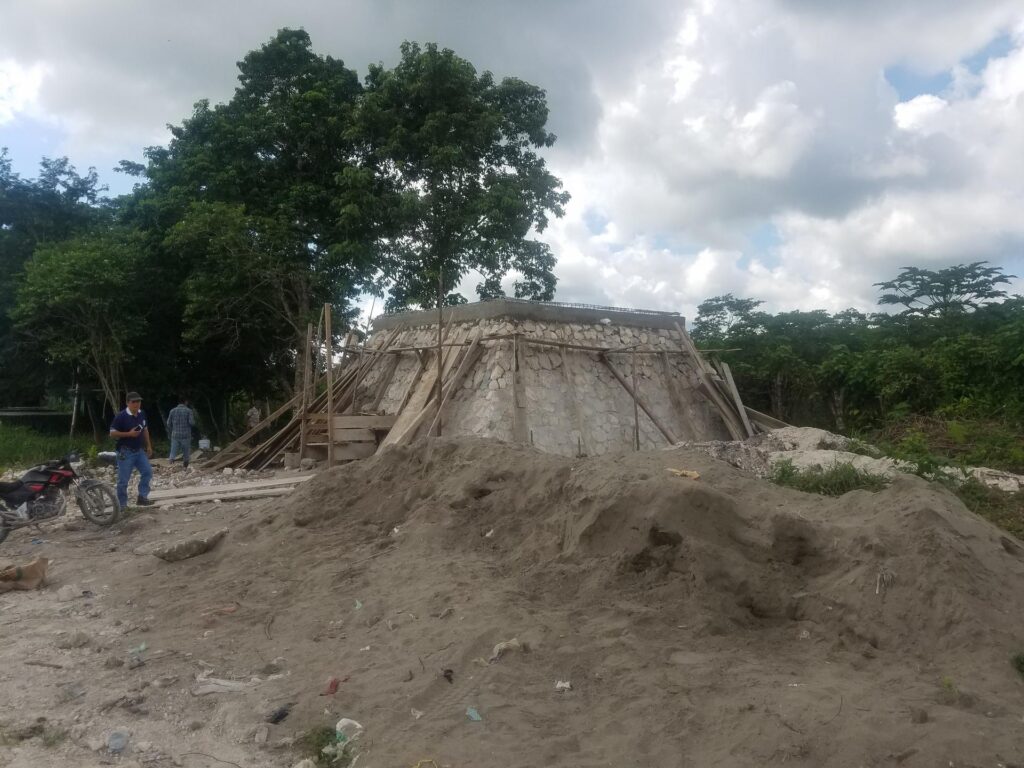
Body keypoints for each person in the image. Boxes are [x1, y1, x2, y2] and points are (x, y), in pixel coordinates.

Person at [109, 391, 154, 508]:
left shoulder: (141, 413)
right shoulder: (121, 416)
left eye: (138, 401)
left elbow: (145, 430)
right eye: (134, 402)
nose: (137, 404)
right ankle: (122, 505)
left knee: (148, 472)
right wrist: (129, 434)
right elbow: (112, 433)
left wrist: (149, 446)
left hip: (139, 450)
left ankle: (142, 497)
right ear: (127, 403)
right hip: (125, 451)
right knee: (123, 480)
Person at [167, 397, 195, 468]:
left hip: (175, 435)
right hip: (186, 435)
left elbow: (168, 423)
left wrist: (173, 429)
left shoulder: (172, 411)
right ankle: (185, 468)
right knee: (186, 452)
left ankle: (170, 466)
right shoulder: (189, 411)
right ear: (185, 402)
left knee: (173, 451)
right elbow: (192, 423)